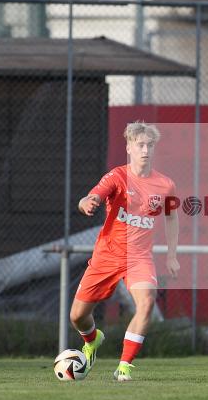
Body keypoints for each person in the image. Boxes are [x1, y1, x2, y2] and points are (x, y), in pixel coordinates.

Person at [72, 121, 180, 382]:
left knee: (147, 302)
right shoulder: (117, 177)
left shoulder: (165, 185)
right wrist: (87, 202)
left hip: (139, 258)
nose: (145, 150)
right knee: (77, 316)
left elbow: (172, 217)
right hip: (107, 255)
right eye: (140, 144)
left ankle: (124, 366)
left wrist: (172, 255)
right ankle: (93, 339)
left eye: (150, 145)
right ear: (129, 147)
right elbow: (92, 196)